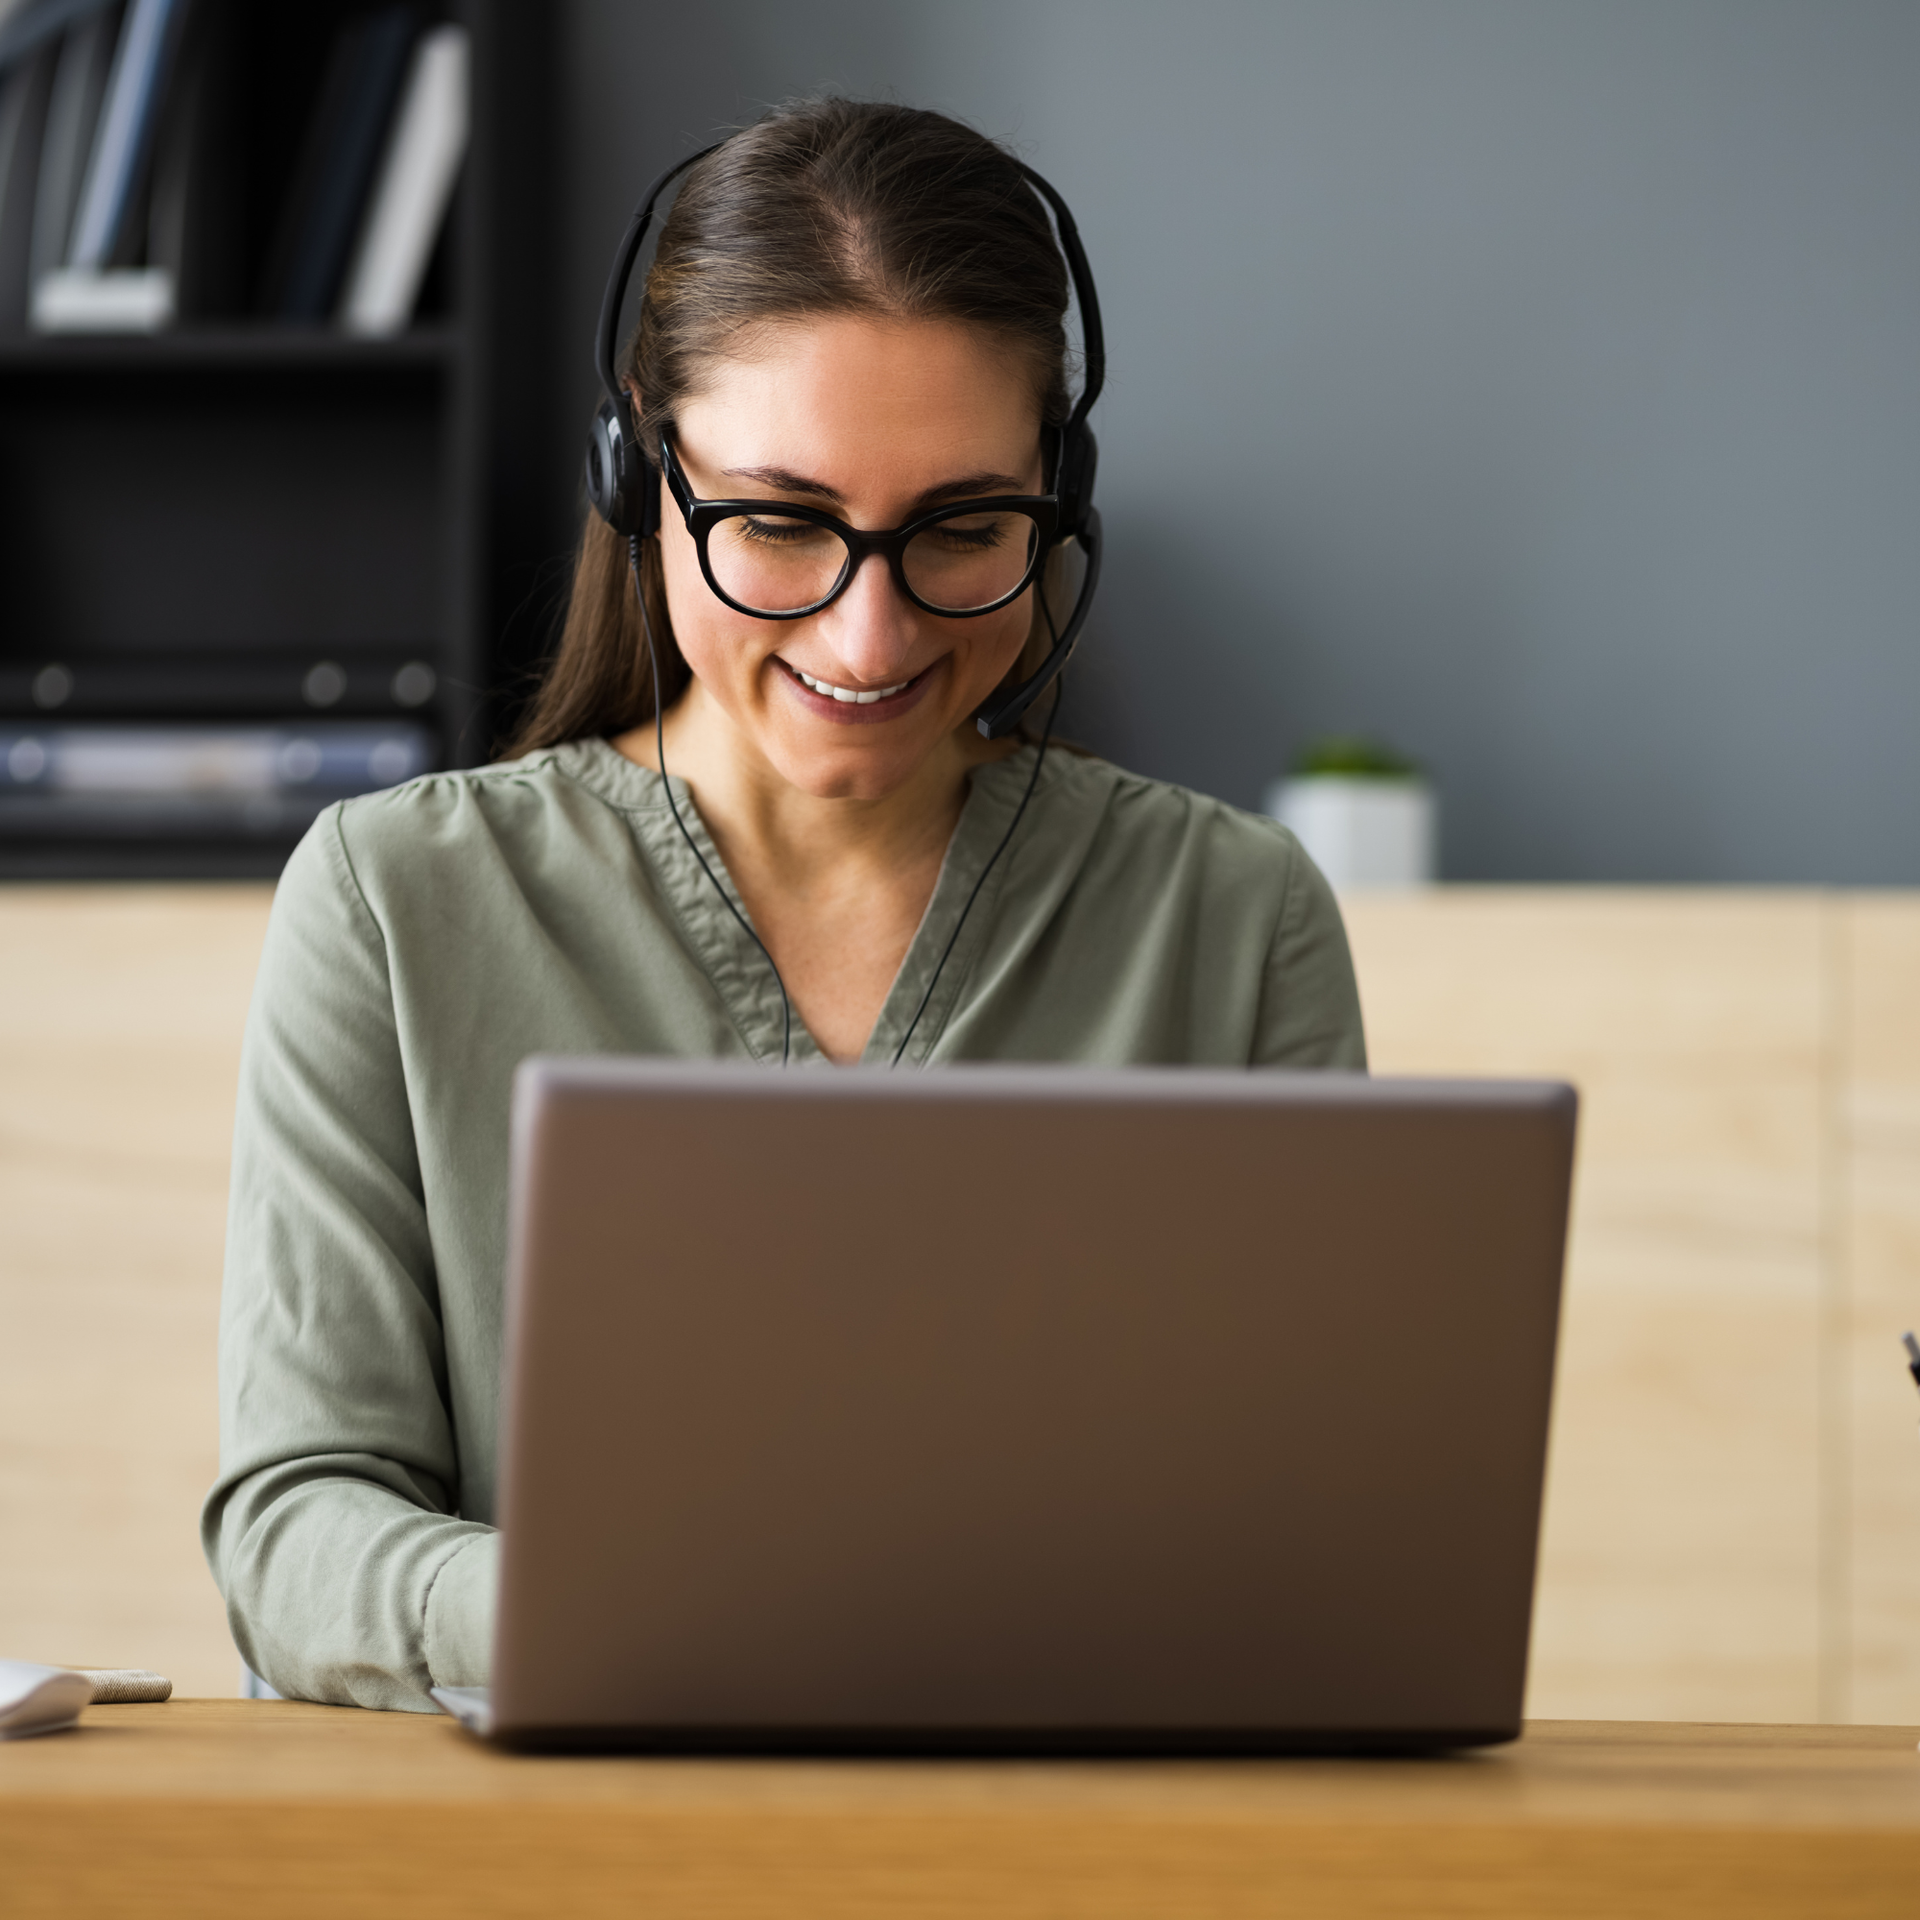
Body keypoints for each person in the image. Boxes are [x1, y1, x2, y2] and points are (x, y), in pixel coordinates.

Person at [202, 99, 1367, 1711]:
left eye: (965, 531)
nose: (871, 637)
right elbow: (294, 1532)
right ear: (639, 478)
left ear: (1062, 493)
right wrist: (659, 1616)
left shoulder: (1235, 919)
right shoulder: (398, 901)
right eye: (776, 523)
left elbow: (1322, 1537)